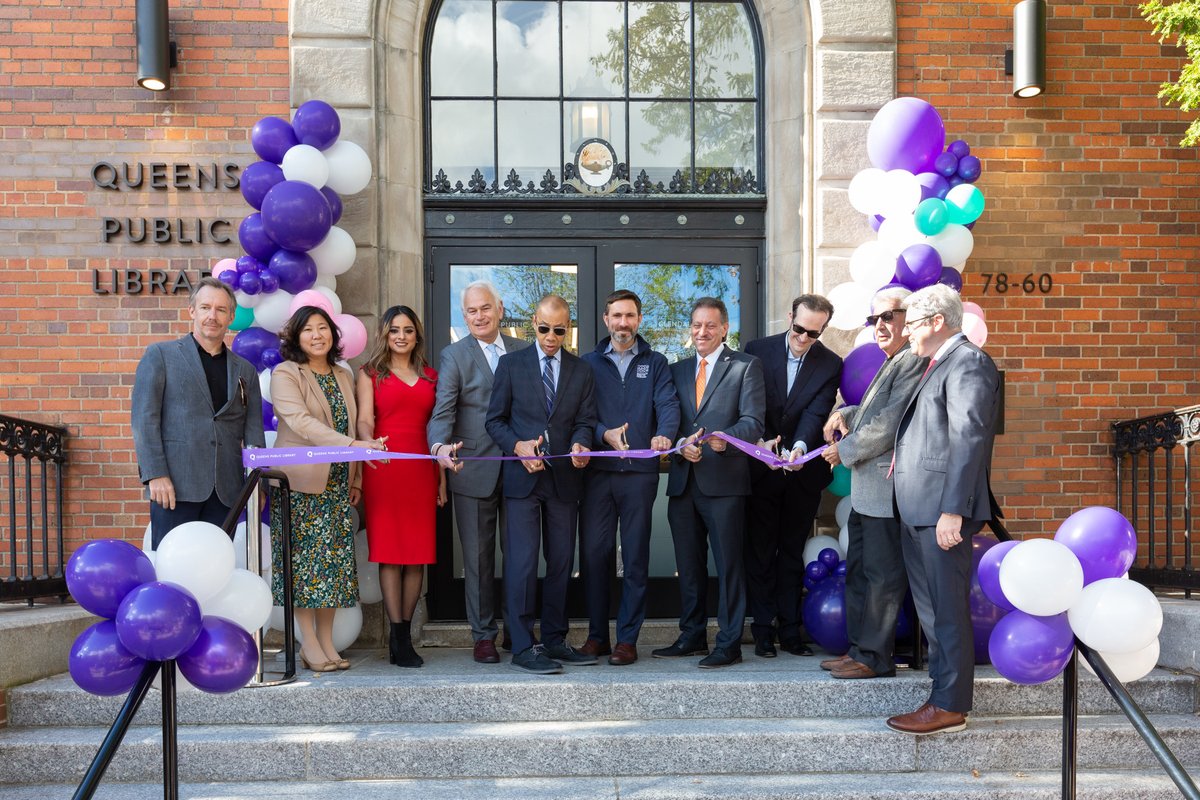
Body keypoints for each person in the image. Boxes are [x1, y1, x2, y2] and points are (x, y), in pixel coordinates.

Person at [886, 284, 1000, 735]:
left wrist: (954, 510)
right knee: (931, 609)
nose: (906, 332)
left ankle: (950, 706)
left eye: (911, 323)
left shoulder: (968, 362)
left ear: (937, 322)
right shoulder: (936, 363)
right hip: (918, 508)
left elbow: (967, 438)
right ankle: (941, 695)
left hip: (940, 511)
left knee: (946, 610)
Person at [485, 294, 597, 675]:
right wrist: (517, 446)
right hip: (522, 481)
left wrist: (582, 443)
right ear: (534, 322)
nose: (551, 336)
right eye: (545, 328)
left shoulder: (581, 370)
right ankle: (521, 645)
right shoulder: (510, 364)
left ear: (569, 327)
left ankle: (553, 639)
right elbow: (495, 421)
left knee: (562, 562)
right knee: (521, 564)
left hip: (564, 481)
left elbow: (585, 419)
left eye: (560, 330)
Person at [820, 287, 927, 679]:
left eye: (887, 316)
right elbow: (872, 412)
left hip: (887, 494)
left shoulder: (912, 360)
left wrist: (842, 452)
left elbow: (888, 425)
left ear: (908, 318)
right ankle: (858, 649)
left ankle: (876, 658)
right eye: (873, 319)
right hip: (866, 494)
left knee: (882, 579)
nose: (879, 325)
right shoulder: (890, 360)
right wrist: (848, 410)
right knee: (860, 573)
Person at [654, 297, 765, 669]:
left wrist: (726, 437)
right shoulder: (676, 369)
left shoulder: (746, 367)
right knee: (689, 565)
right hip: (684, 482)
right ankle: (692, 635)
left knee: (729, 565)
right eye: (697, 325)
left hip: (725, 483)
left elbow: (754, 422)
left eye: (710, 326)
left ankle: (730, 642)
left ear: (724, 329)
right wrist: (681, 444)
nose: (702, 332)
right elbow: (670, 417)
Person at [270, 305, 377, 673]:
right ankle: (308, 642)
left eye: (323, 328)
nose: (317, 335)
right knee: (303, 566)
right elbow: (299, 422)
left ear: (333, 334)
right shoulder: (286, 373)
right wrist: (350, 448)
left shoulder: (342, 375)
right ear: (296, 337)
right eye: (308, 330)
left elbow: (350, 428)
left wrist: (356, 477)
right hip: (299, 484)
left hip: (336, 484)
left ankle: (327, 640)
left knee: (332, 566)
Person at [427, 281, 530, 664]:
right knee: (479, 559)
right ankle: (483, 634)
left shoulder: (523, 349)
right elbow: (443, 412)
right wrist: (438, 448)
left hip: (521, 469)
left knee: (520, 556)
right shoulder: (454, 356)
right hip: (471, 470)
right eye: (471, 311)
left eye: (485, 308)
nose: (479, 316)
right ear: (464, 315)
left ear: (500, 309)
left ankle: (517, 630)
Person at [579, 290, 680, 666]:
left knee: (635, 558)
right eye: (617, 316)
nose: (623, 323)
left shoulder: (655, 362)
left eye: (630, 316)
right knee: (594, 556)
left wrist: (664, 434)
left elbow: (668, 404)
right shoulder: (587, 363)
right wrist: (602, 432)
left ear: (639, 320)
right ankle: (596, 637)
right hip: (597, 476)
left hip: (639, 475)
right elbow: (581, 414)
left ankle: (627, 639)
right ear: (606, 320)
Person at [742, 294, 842, 658]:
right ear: (790, 317)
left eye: (812, 333)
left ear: (822, 330)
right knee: (760, 551)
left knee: (791, 552)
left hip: (802, 474)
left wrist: (800, 447)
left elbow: (817, 413)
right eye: (798, 328)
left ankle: (790, 629)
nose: (802, 338)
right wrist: (760, 443)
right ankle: (762, 629)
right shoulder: (757, 349)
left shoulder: (831, 363)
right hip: (761, 468)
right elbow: (749, 404)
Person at [132, 276, 264, 548]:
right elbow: (145, 419)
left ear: (231, 317)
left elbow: (253, 432)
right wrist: (155, 473)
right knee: (172, 567)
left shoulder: (245, 370)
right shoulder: (161, 356)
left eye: (220, 310)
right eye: (205, 308)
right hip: (175, 486)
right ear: (192, 311)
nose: (212, 316)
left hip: (227, 491)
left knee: (215, 569)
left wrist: (256, 484)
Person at [356, 305, 445, 669]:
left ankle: (405, 631)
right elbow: (364, 420)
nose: (402, 336)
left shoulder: (431, 377)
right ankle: (397, 635)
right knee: (391, 554)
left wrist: (442, 480)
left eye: (408, 330)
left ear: (416, 336)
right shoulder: (369, 374)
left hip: (422, 470)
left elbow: (439, 431)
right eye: (395, 330)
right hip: (385, 468)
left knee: (418, 555)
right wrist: (369, 445)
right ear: (384, 335)